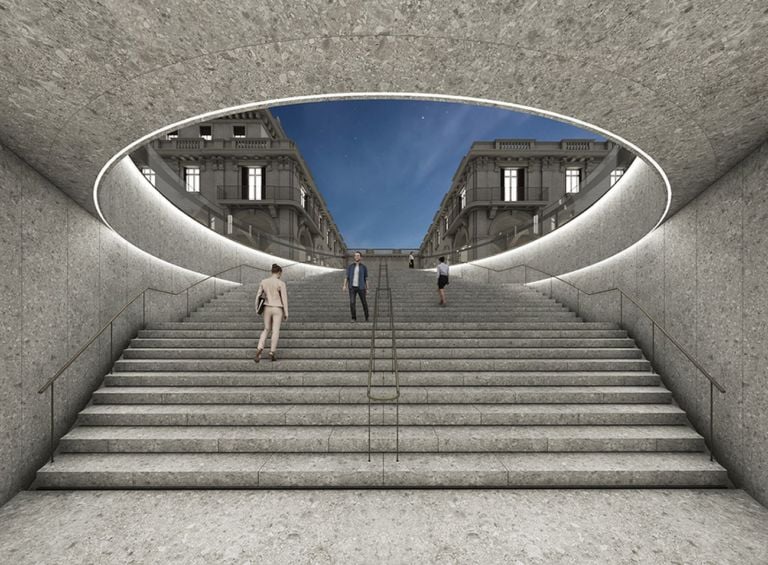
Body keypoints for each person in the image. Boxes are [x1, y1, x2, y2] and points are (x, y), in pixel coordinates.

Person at [255, 264, 288, 362]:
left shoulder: (264, 282)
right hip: (277, 308)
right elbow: (284, 299)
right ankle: (272, 352)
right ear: (279, 272)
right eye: (280, 274)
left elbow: (258, 296)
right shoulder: (281, 283)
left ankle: (259, 348)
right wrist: (286, 312)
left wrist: (257, 309)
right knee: (275, 330)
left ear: (271, 272)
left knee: (266, 329)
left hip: (267, 308)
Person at [342, 251, 369, 321]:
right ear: (354, 257)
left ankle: (367, 317)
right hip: (352, 288)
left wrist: (367, 288)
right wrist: (344, 286)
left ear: (360, 257)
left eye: (358, 255)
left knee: (364, 302)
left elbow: (366, 278)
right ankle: (353, 318)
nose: (357, 257)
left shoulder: (364, 267)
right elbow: (346, 277)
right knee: (352, 302)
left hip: (361, 287)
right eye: (355, 255)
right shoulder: (350, 267)